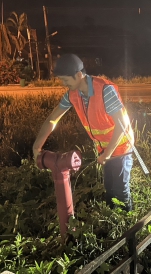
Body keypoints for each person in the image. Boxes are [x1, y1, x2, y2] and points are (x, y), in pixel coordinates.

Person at [33, 54, 134, 211]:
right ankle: (113, 223)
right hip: (104, 149)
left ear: (79, 75)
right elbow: (52, 119)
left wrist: (108, 154)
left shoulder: (105, 90)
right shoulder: (72, 95)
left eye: (66, 80)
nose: (63, 84)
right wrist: (37, 145)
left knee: (121, 191)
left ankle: (129, 230)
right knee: (109, 189)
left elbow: (122, 125)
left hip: (121, 148)